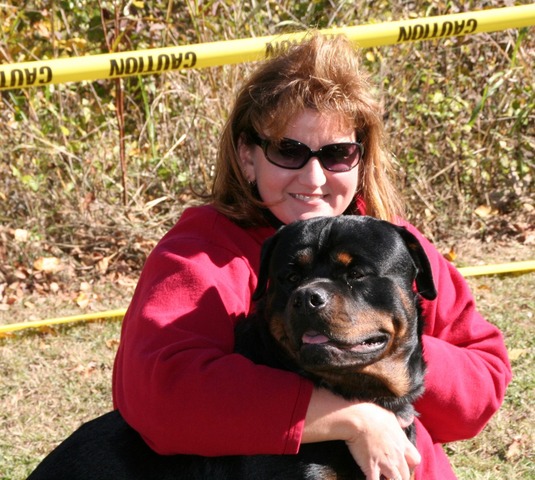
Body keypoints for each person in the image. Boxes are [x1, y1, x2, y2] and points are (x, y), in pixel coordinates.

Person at [112, 33, 512, 480]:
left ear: (361, 159)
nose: (314, 175)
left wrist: (383, 354)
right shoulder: (202, 253)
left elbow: (482, 384)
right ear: (247, 156)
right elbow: (163, 394)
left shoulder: (390, 245)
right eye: (289, 150)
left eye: (337, 153)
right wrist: (352, 417)